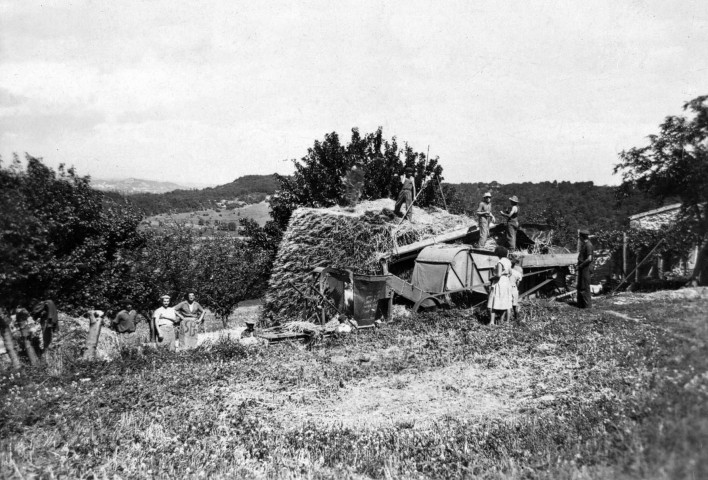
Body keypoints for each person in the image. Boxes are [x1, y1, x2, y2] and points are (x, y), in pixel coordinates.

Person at [488, 246, 512, 325]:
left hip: (499, 282)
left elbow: (498, 275)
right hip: (506, 282)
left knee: (494, 301)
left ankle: (492, 322)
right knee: (503, 301)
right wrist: (504, 273)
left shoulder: (500, 262)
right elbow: (510, 273)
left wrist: (491, 278)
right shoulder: (508, 262)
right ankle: (501, 321)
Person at [576, 228, 594, 309]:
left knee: (585, 287)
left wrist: (581, 265)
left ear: (582, 237)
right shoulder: (584, 244)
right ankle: (582, 305)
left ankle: (587, 307)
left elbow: (589, 258)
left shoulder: (588, 245)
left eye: (580, 236)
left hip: (585, 268)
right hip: (583, 268)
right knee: (581, 286)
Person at [509, 254, 523, 322]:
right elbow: (518, 283)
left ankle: (507, 319)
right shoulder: (519, 270)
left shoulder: (507, 270)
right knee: (514, 304)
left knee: (508, 305)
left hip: (508, 288)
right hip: (514, 288)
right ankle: (516, 318)